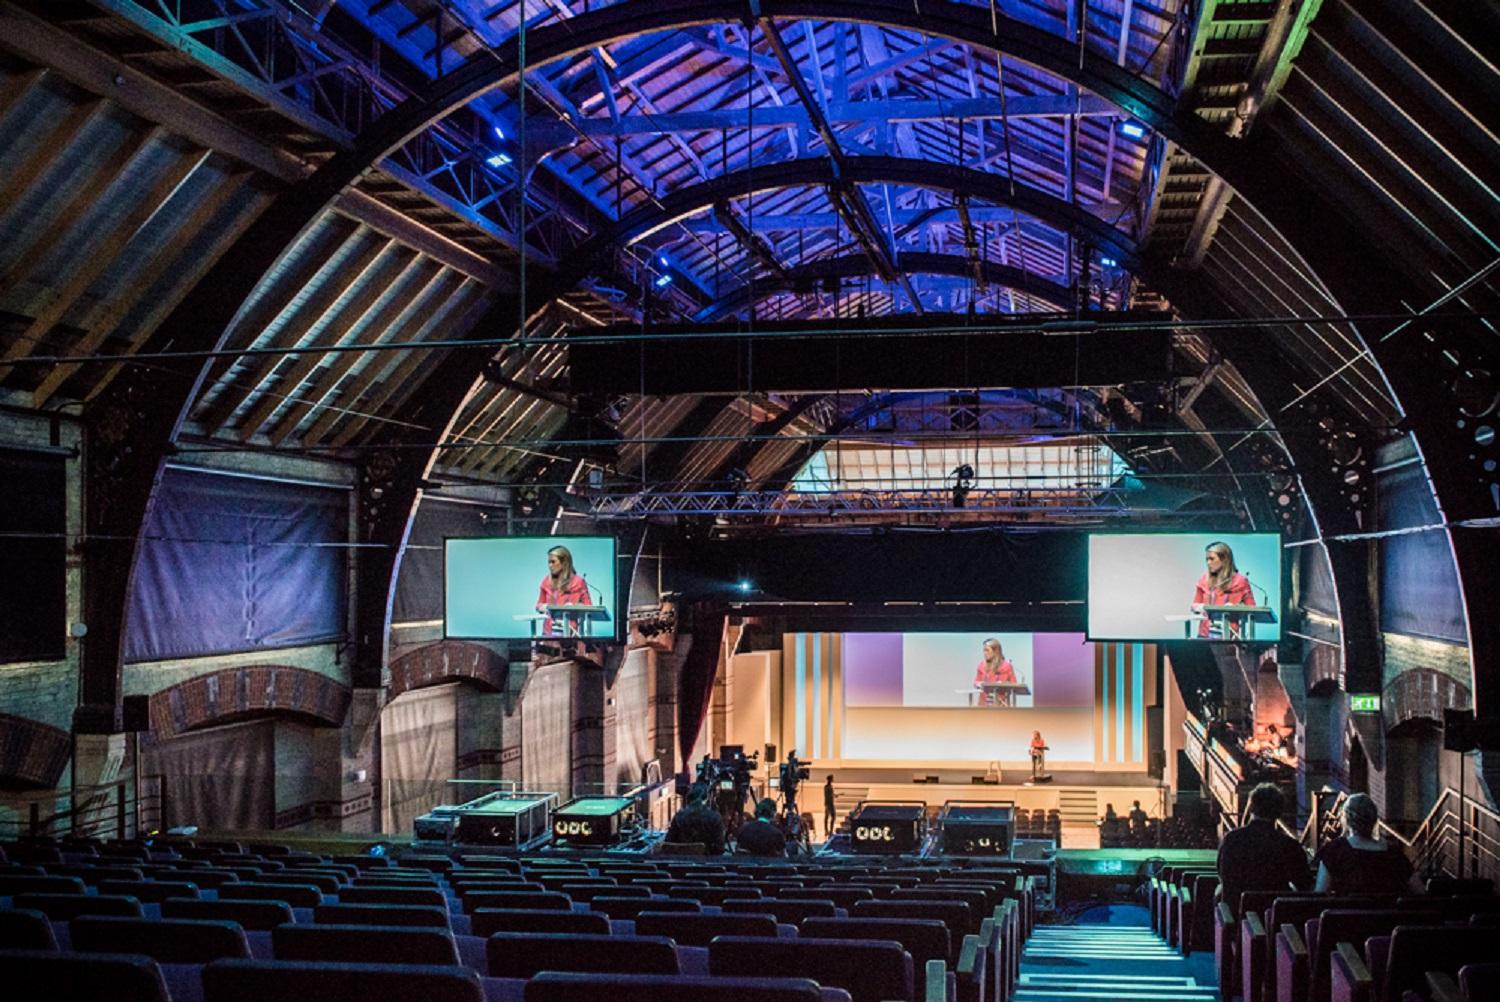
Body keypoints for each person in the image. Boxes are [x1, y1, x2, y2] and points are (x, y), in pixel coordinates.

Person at [1216, 783, 1312, 918]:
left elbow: (1222, 874)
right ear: (1279, 812)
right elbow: (1304, 885)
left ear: (1251, 808)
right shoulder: (1290, 846)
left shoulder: (1232, 839)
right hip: (1277, 918)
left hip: (1236, 914)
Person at [1313, 793, 1420, 895]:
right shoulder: (1394, 854)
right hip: (1387, 912)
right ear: (1373, 819)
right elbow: (1419, 890)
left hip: (1348, 913)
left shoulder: (1334, 851)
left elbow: (1321, 893)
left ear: (1346, 819)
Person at [1191, 540, 1255, 639]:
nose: (1208, 563)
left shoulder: (1241, 581)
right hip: (1204, 636)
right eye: (1207, 559)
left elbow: (1252, 609)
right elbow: (1194, 605)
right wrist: (1201, 607)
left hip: (1229, 638)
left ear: (1224, 559)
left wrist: (1235, 608)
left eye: (1212, 559)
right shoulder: (1204, 580)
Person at [535, 544, 591, 636]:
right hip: (548, 633)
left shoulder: (578, 582)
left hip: (570, 634)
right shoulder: (546, 581)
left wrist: (574, 607)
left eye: (553, 562)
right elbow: (538, 605)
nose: (550, 565)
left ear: (564, 562)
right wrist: (544, 607)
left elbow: (588, 606)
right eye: (549, 562)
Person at [664, 782, 726, 855]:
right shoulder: (715, 818)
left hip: (681, 863)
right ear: (707, 798)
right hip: (707, 864)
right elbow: (720, 849)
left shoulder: (679, 816)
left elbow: (668, 844)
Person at [973, 638, 1018, 705]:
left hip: (1001, 705)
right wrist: (980, 684)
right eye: (984, 650)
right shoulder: (981, 665)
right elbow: (975, 682)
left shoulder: (1007, 666)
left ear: (995, 651)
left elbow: (1014, 684)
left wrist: (1003, 684)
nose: (985, 653)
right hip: (983, 705)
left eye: (987, 650)